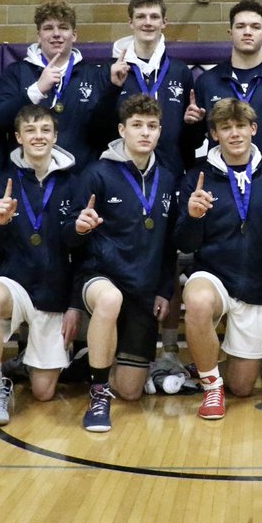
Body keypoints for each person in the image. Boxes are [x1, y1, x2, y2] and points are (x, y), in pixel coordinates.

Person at [191, 0, 262, 384]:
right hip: (225, 186)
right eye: (240, 25)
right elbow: (198, 137)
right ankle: (213, 351)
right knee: (225, 261)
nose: (247, 32)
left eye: (254, 26)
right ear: (230, 33)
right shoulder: (208, 81)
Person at [66, 95, 179, 432]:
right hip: (100, 278)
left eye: (152, 126)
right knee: (110, 298)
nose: (145, 132)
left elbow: (168, 244)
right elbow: (69, 241)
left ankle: (95, 359)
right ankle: (98, 394)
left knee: (130, 391)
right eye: (137, 125)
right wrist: (77, 227)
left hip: (143, 289)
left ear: (160, 131)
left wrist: (164, 289)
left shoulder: (169, 177)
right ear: (122, 130)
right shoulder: (97, 173)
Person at [174, 98, 262, 420]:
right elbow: (183, 243)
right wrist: (193, 217)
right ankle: (211, 387)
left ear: (253, 129)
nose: (235, 134)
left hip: (254, 283)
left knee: (242, 387)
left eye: (241, 126)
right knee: (197, 300)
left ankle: (205, 360)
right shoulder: (197, 177)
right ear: (214, 134)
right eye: (226, 127)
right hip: (212, 276)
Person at [0, 104, 80, 426]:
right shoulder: (3, 182)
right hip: (15, 286)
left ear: (56, 136)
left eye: (45, 130)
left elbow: (84, 252)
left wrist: (74, 303)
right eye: (30, 130)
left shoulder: (75, 182)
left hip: (54, 293)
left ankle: (26, 362)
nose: (39, 136)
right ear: (18, 137)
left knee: (43, 392)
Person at [0, 1, 122, 172]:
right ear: (39, 35)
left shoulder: (95, 74)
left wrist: (113, 89)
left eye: (63, 27)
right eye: (48, 28)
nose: (56, 34)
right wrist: (36, 91)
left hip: (80, 178)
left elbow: (106, 132)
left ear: (74, 35)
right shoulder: (17, 72)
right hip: (28, 180)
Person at [111, 0, 204, 177]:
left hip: (172, 174)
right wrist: (112, 89)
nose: (147, 22)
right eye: (140, 17)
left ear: (164, 22)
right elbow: (100, 132)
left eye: (154, 17)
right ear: (131, 23)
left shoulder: (180, 72)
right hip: (123, 176)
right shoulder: (114, 71)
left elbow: (193, 142)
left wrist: (192, 125)